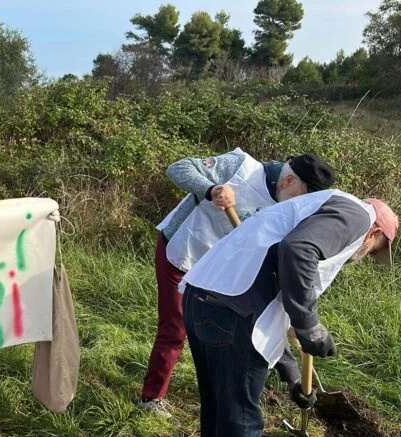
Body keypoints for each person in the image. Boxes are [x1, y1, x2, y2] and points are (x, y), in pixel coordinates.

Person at [138, 149, 336, 417]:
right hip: (183, 252)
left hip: (219, 269)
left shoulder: (288, 209)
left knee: (236, 323)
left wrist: (294, 336)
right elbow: (178, 168)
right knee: (175, 328)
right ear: (288, 182)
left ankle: (280, 375)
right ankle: (151, 398)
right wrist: (212, 189)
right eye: (301, 198)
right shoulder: (241, 167)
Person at [181, 191, 397, 437]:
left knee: (219, 411)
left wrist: (291, 372)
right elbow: (297, 249)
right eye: (372, 251)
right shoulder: (358, 216)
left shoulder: (319, 207)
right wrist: (309, 326)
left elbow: (272, 309)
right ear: (375, 233)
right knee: (240, 422)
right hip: (231, 314)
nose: (363, 256)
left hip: (203, 300)